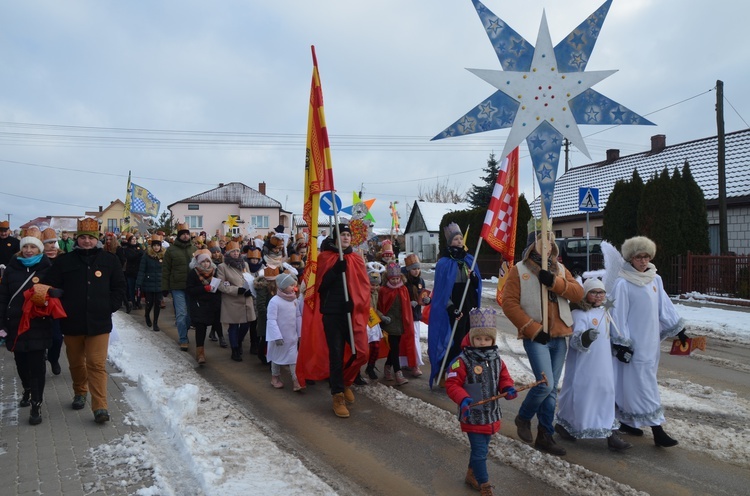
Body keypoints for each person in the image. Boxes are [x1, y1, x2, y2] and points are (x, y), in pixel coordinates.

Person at [502, 231, 583, 456]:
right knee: (545, 385)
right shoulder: (519, 270)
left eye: (550, 243)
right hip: (537, 338)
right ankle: (524, 417)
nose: (546, 247)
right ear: (532, 246)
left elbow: (578, 293)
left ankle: (545, 435)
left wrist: (555, 282)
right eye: (541, 242)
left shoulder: (559, 269)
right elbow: (509, 304)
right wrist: (533, 329)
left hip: (559, 337)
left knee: (551, 390)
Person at [44, 217, 126, 424]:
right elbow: (50, 286)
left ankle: (100, 407)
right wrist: (55, 295)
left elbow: (119, 287)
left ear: (97, 238)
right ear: (76, 239)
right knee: (76, 362)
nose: (87, 241)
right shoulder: (65, 261)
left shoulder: (109, 260)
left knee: (96, 364)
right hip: (71, 322)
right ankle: (80, 391)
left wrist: (109, 306)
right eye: (83, 238)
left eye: (90, 238)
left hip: (99, 322)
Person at [609, 236, 685, 447]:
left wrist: (679, 330)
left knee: (632, 385)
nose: (643, 261)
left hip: (651, 344)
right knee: (645, 386)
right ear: (630, 258)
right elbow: (618, 315)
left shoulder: (655, 279)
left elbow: (664, 306)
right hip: (634, 346)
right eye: (638, 257)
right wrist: (621, 343)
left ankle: (628, 421)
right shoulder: (623, 283)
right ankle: (657, 429)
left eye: (646, 256)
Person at [296, 221, 370, 418]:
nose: (346, 238)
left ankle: (346, 381)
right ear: (335, 238)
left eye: (348, 235)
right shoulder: (326, 258)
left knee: (361, 351)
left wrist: (354, 304)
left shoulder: (356, 259)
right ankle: (337, 395)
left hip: (351, 313)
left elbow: (363, 288)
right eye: (342, 235)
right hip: (332, 313)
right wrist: (336, 270)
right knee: (336, 354)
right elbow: (319, 286)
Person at [554, 278, 633, 451]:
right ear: (586, 294)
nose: (598, 296)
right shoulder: (579, 314)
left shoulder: (606, 312)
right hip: (584, 364)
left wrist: (619, 348)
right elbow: (575, 339)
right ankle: (567, 423)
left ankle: (610, 432)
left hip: (604, 364)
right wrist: (584, 338)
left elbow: (611, 335)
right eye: (594, 292)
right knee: (581, 395)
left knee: (606, 391)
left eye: (601, 292)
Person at [446, 307, 516, 496]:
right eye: (478, 339)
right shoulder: (462, 361)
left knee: (481, 450)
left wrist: (508, 388)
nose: (482, 343)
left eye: (486, 339)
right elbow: (452, 384)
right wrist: (463, 399)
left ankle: (472, 475)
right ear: (471, 338)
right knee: (480, 452)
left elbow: (503, 378)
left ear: (492, 340)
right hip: (472, 415)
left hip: (491, 415)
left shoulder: (497, 360)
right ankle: (484, 484)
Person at [0, 233, 59, 425]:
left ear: (39, 250)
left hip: (38, 323)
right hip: (15, 323)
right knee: (21, 363)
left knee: (37, 366)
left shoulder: (47, 269)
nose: (28, 251)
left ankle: (36, 404)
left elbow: (56, 293)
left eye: (32, 247)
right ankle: (27, 388)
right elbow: (2, 297)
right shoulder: (11, 269)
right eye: (25, 247)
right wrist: (1, 323)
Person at [428, 222, 482, 388]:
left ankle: (462, 374)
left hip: (468, 306)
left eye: (460, 239)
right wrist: (451, 308)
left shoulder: (468, 260)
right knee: (454, 342)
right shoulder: (444, 263)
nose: (459, 241)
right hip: (454, 308)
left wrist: (473, 278)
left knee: (467, 341)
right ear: (449, 242)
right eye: (455, 239)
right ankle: (444, 371)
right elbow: (442, 291)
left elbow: (476, 285)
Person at [377, 262, 417, 386]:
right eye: (393, 279)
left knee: (394, 347)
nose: (395, 281)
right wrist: (382, 318)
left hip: (400, 322)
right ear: (388, 278)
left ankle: (387, 366)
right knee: (394, 347)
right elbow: (380, 305)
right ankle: (398, 372)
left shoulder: (403, 289)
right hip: (389, 322)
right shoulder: (383, 290)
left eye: (397, 278)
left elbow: (405, 305)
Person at [217, 241, 256, 362]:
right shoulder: (222, 267)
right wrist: (236, 290)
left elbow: (249, 278)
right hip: (232, 300)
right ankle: (234, 349)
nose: (235, 253)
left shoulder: (244, 264)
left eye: (237, 251)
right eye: (233, 251)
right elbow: (221, 285)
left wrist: (251, 288)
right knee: (233, 326)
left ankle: (238, 342)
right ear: (228, 253)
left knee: (246, 324)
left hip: (246, 299)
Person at [162, 223, 196, 351]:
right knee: (181, 314)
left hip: (191, 287)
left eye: (187, 234)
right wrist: (164, 287)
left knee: (190, 315)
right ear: (179, 236)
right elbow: (166, 270)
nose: (186, 236)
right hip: (177, 286)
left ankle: (184, 330)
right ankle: (183, 338)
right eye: (183, 234)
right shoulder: (171, 250)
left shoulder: (193, 249)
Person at [266, 272, 302, 390]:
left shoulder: (294, 300)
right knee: (277, 358)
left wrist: (300, 333)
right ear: (282, 286)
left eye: (294, 285)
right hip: (279, 338)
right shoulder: (274, 301)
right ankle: (274, 377)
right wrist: (276, 336)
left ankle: (296, 381)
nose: (293, 287)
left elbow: (297, 316)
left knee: (293, 359)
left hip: (291, 337)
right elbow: (271, 320)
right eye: (291, 285)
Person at [186, 250, 221, 365]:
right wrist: (203, 289)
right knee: (200, 328)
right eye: (203, 262)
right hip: (199, 304)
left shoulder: (214, 272)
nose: (206, 264)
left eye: (207, 261)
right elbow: (190, 289)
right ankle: (200, 352)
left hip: (211, 303)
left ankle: (220, 338)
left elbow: (218, 287)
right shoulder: (193, 273)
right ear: (199, 263)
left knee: (215, 323)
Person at [401, 253, 429, 377]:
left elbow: (423, 295)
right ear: (408, 270)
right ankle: (406, 363)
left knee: (415, 339)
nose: (416, 271)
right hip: (405, 315)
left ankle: (415, 363)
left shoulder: (421, 281)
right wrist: (408, 303)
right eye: (413, 269)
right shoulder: (404, 281)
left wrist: (427, 300)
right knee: (406, 339)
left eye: (418, 268)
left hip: (416, 315)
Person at [136, 234, 164, 331]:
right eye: (155, 245)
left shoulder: (163, 256)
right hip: (149, 282)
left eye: (158, 245)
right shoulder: (146, 256)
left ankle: (155, 322)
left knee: (158, 303)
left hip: (160, 283)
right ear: (152, 246)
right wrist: (138, 283)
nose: (156, 247)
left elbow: (166, 270)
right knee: (149, 302)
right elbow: (141, 270)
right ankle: (147, 314)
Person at [363, 262, 386, 380]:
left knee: (376, 346)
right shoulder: (362, 292)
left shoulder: (377, 293)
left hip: (373, 322)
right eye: (372, 284)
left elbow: (377, 308)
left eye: (377, 285)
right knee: (361, 348)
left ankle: (370, 367)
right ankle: (355, 371)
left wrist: (381, 316)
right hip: (363, 322)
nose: (375, 287)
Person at [122, 234, 143, 312]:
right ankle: (133, 302)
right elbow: (130, 257)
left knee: (139, 288)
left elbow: (142, 254)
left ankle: (138, 301)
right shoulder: (127, 249)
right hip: (130, 271)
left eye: (135, 239)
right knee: (131, 288)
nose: (134, 241)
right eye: (132, 239)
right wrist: (138, 254)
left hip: (138, 271)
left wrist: (139, 252)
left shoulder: (139, 247)